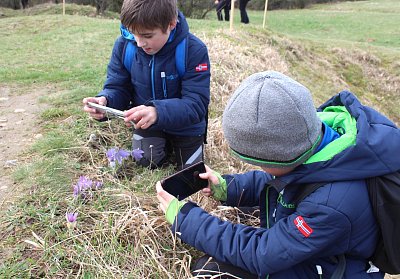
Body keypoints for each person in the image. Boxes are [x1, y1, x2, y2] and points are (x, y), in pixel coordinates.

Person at [156, 71, 400, 278]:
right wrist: (226, 186)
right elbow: (281, 179)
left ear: (282, 156)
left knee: (211, 271)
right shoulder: (316, 141)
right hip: (319, 246)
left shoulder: (331, 205)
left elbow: (262, 252)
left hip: (334, 270)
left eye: (258, 162)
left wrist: (186, 220)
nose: (260, 169)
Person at [83, 0, 210, 170]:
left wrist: (158, 112)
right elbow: (118, 87)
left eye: (147, 36)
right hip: (146, 123)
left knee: (192, 173)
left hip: (187, 127)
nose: (139, 43)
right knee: (145, 160)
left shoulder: (193, 50)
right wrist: (105, 101)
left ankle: (178, 146)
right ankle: (160, 145)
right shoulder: (124, 45)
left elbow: (197, 104)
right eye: (133, 33)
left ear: (171, 24)